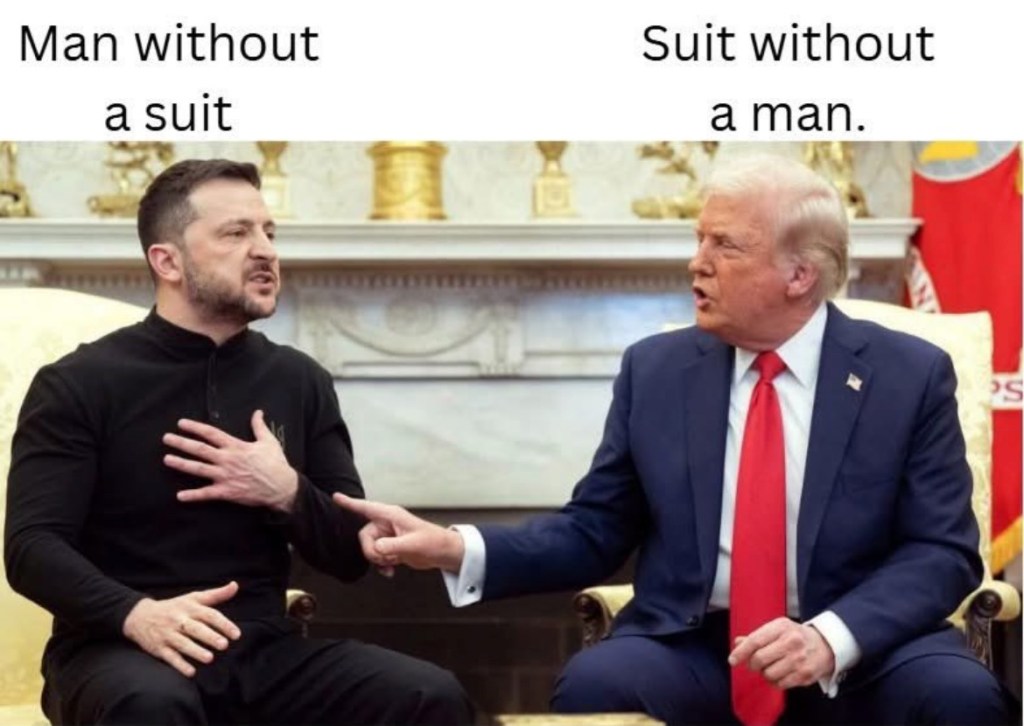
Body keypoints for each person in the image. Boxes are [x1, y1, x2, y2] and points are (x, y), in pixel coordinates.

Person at [334, 154, 1014, 725]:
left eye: (725, 246)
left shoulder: (906, 374)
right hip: (698, 643)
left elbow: (942, 551)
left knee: (959, 697)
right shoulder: (657, 371)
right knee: (598, 685)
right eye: (699, 240)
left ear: (799, 274)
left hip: (864, 645)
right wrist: (453, 547)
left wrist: (830, 638)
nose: (697, 264)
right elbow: (593, 530)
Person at [4, 159, 473, 726]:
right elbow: (32, 548)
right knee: (152, 705)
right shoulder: (79, 382)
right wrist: (137, 614)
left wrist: (287, 492)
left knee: (428, 694)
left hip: (262, 649)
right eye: (236, 233)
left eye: (269, 232)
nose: (265, 251)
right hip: (116, 647)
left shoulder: (299, 380)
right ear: (167, 261)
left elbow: (349, 554)